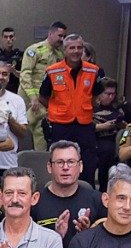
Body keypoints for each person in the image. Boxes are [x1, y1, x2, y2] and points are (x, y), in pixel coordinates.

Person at [35, 33, 100, 180]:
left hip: (84, 124)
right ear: (65, 50)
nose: (76, 51)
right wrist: (56, 109)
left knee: (87, 162)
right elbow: (43, 97)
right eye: (72, 48)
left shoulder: (93, 71)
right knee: (60, 160)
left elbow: (96, 96)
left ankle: (86, 189)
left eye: (79, 47)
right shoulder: (53, 71)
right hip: (60, 125)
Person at [19, 20, 67, 143]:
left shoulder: (60, 55)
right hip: (30, 99)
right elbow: (25, 75)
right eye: (60, 36)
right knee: (21, 128)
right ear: (50, 33)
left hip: (46, 100)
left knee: (41, 131)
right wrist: (33, 97)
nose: (62, 39)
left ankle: (40, 155)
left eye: (64, 36)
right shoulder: (35, 50)